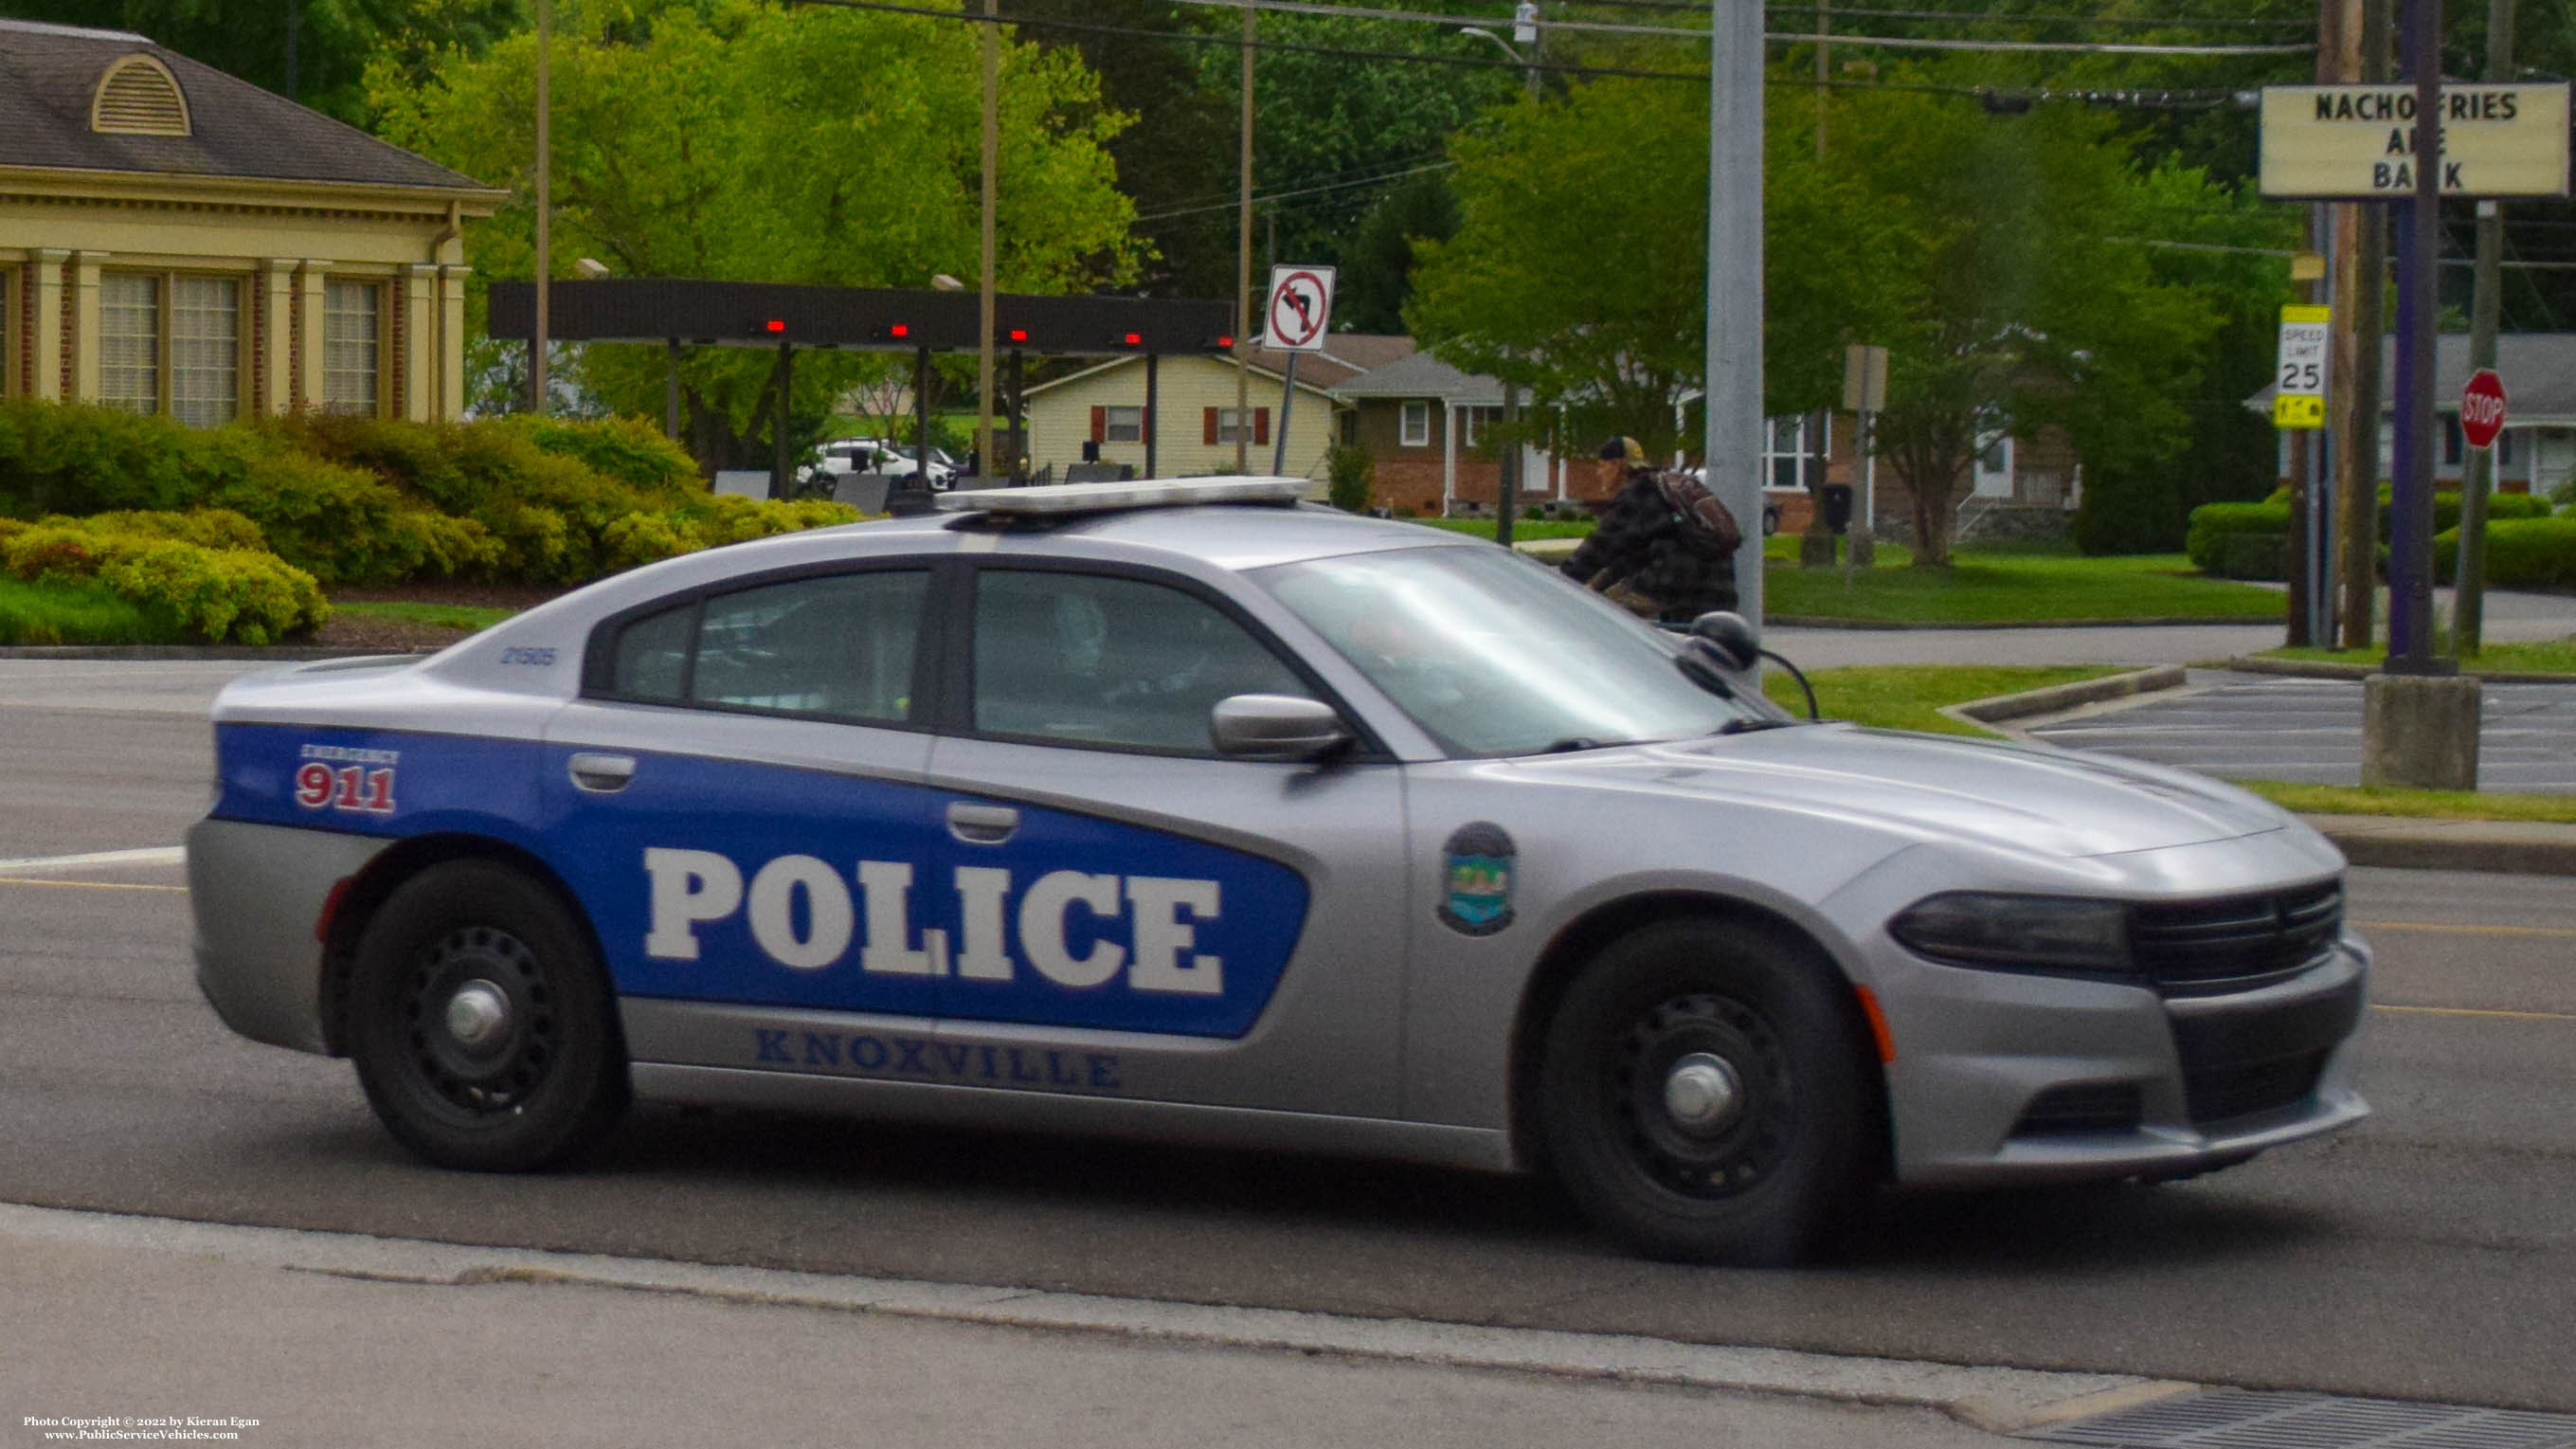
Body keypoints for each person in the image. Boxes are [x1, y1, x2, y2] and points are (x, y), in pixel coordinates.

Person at [1558, 436, 1739, 623]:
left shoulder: (1639, 492)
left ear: (1618, 465)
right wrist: (1594, 586)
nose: (1598, 473)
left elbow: (1602, 545)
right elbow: (1629, 558)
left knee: (1609, 621)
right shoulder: (1659, 491)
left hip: (1683, 585)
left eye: (1602, 465)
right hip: (1715, 593)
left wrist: (1560, 582)